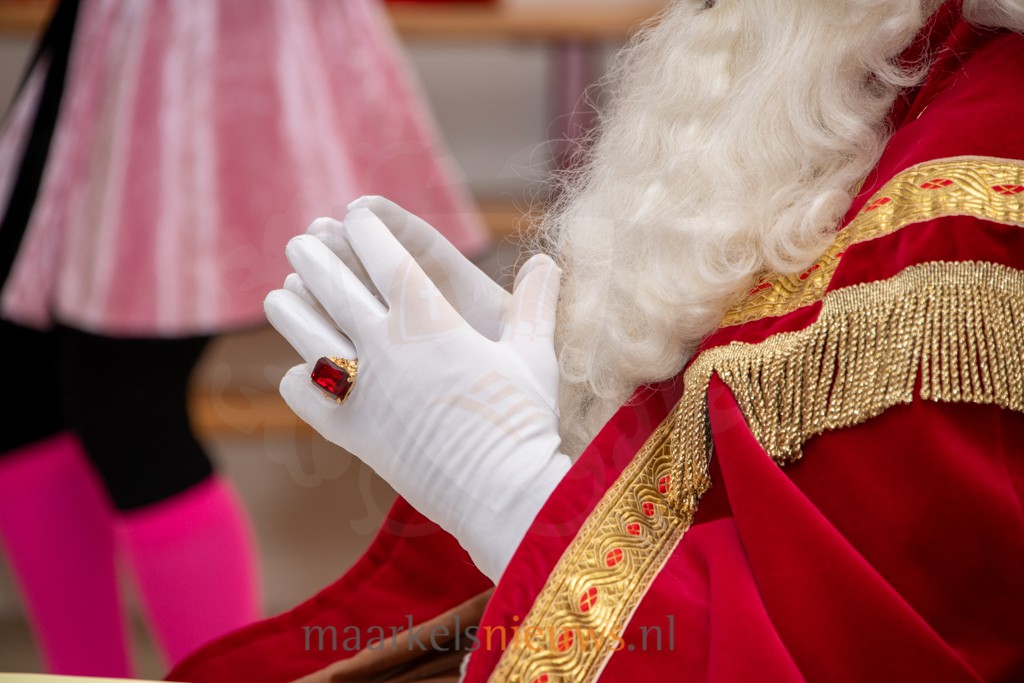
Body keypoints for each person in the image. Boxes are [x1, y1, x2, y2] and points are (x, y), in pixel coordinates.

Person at [171, 0, 1024, 681]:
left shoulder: (974, 188)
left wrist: (509, 489)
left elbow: (862, 647)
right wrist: (579, 419)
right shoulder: (900, 63)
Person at [0, 0, 486, 676]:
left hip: (205, 57)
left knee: (123, 401)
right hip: (110, 40)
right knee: (22, 390)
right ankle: (83, 673)